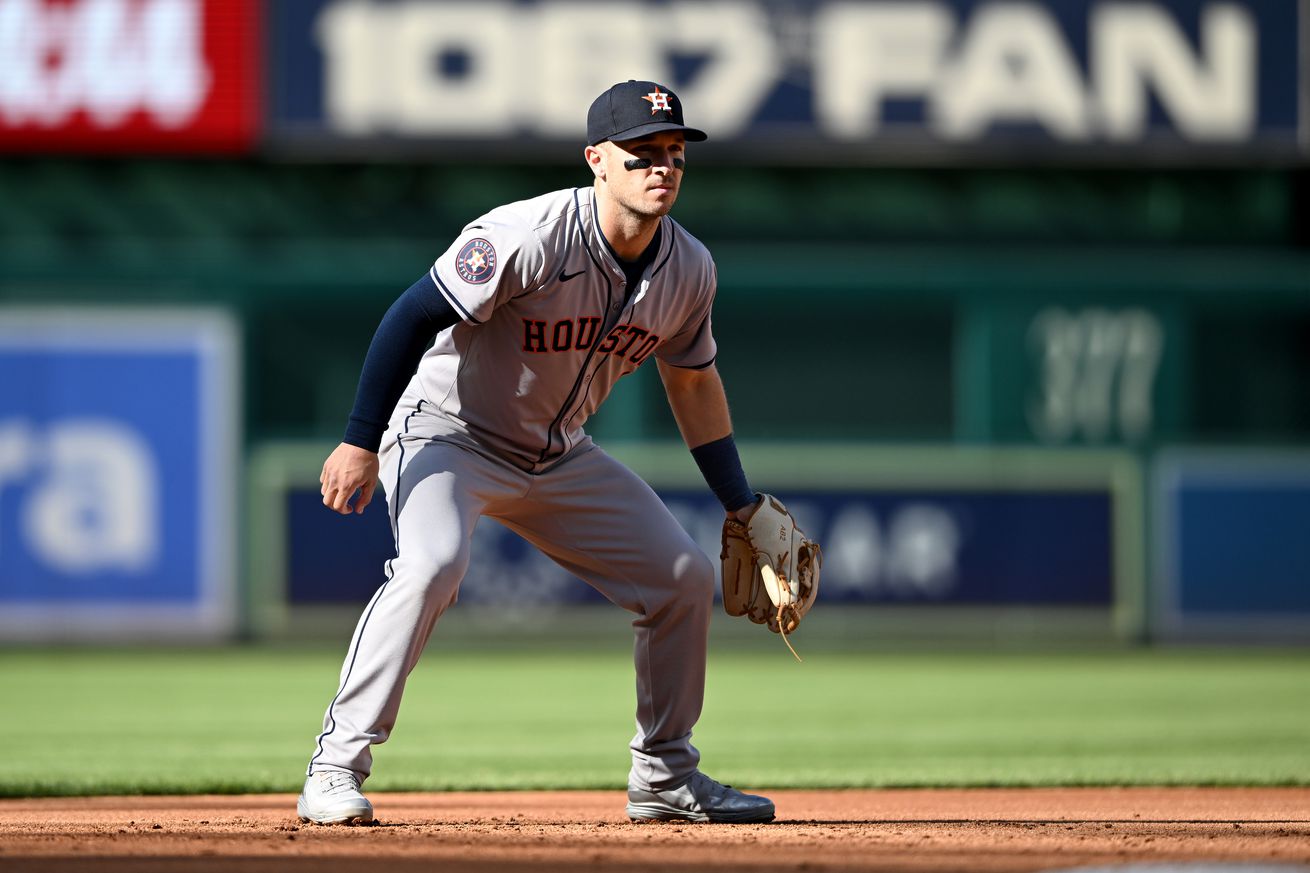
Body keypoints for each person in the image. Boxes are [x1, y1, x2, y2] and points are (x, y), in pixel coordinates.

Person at [297, 80, 775, 826]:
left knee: (680, 578)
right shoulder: (528, 233)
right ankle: (333, 768)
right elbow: (413, 312)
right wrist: (361, 439)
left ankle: (665, 776)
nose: (663, 166)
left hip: (556, 455)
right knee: (432, 565)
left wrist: (739, 502)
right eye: (642, 152)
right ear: (597, 161)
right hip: (445, 433)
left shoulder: (690, 269)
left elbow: (693, 385)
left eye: (675, 153)